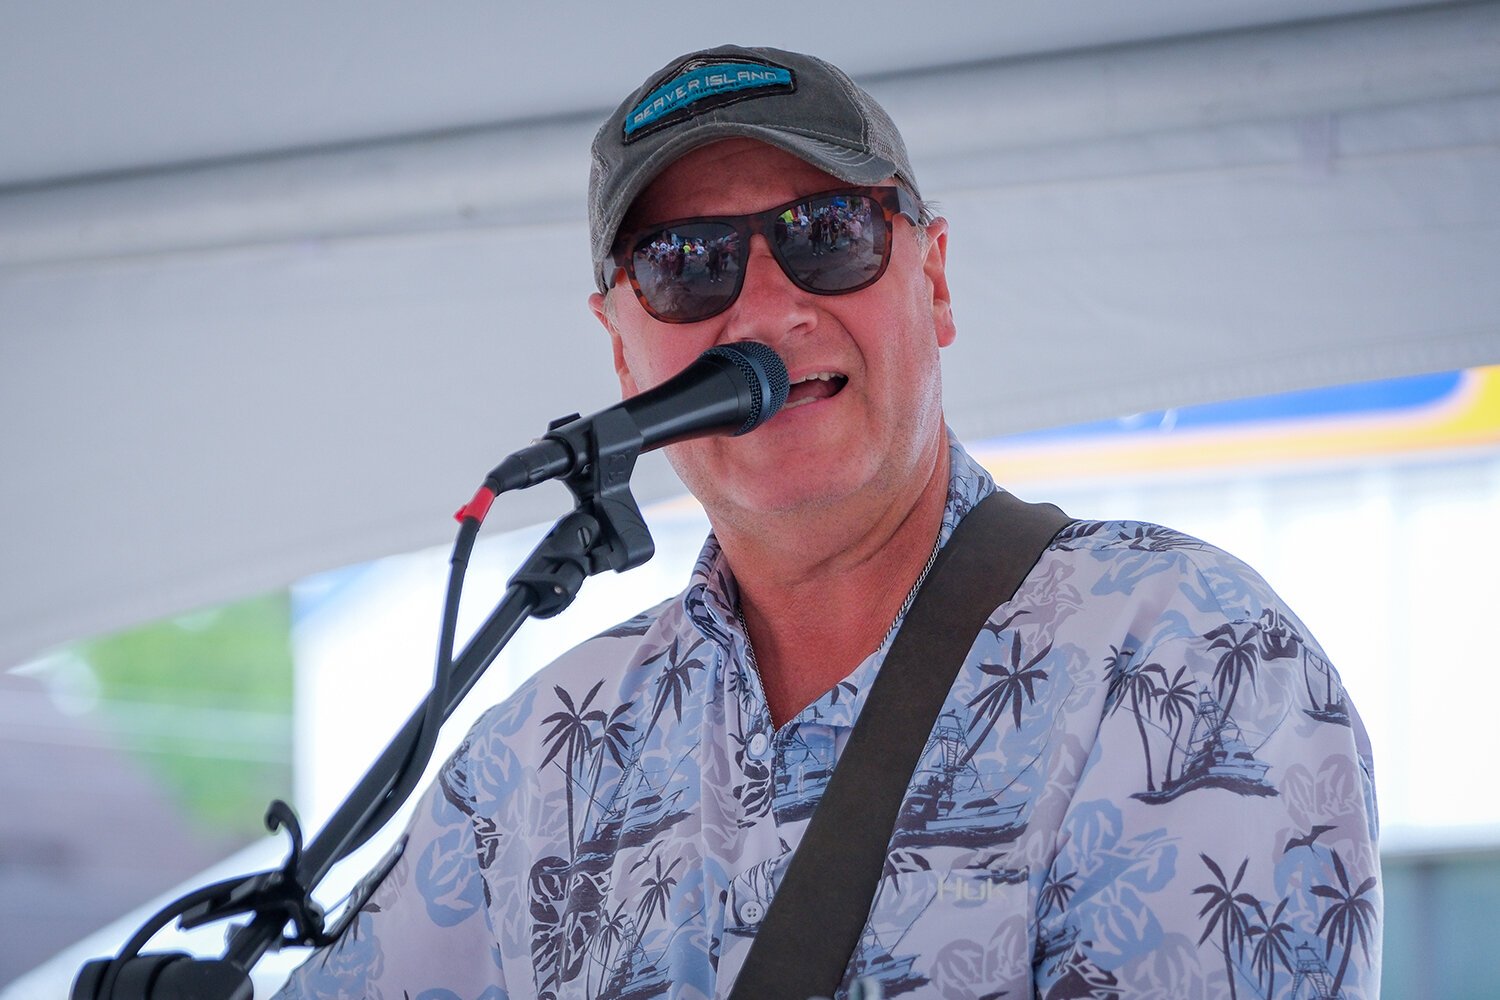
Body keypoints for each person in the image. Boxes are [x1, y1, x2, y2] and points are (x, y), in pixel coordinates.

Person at [275, 45, 1380, 999]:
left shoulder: (1182, 650)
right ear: (622, 344)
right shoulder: (533, 755)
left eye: (827, 230)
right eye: (687, 263)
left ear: (933, 278)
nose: (762, 309)